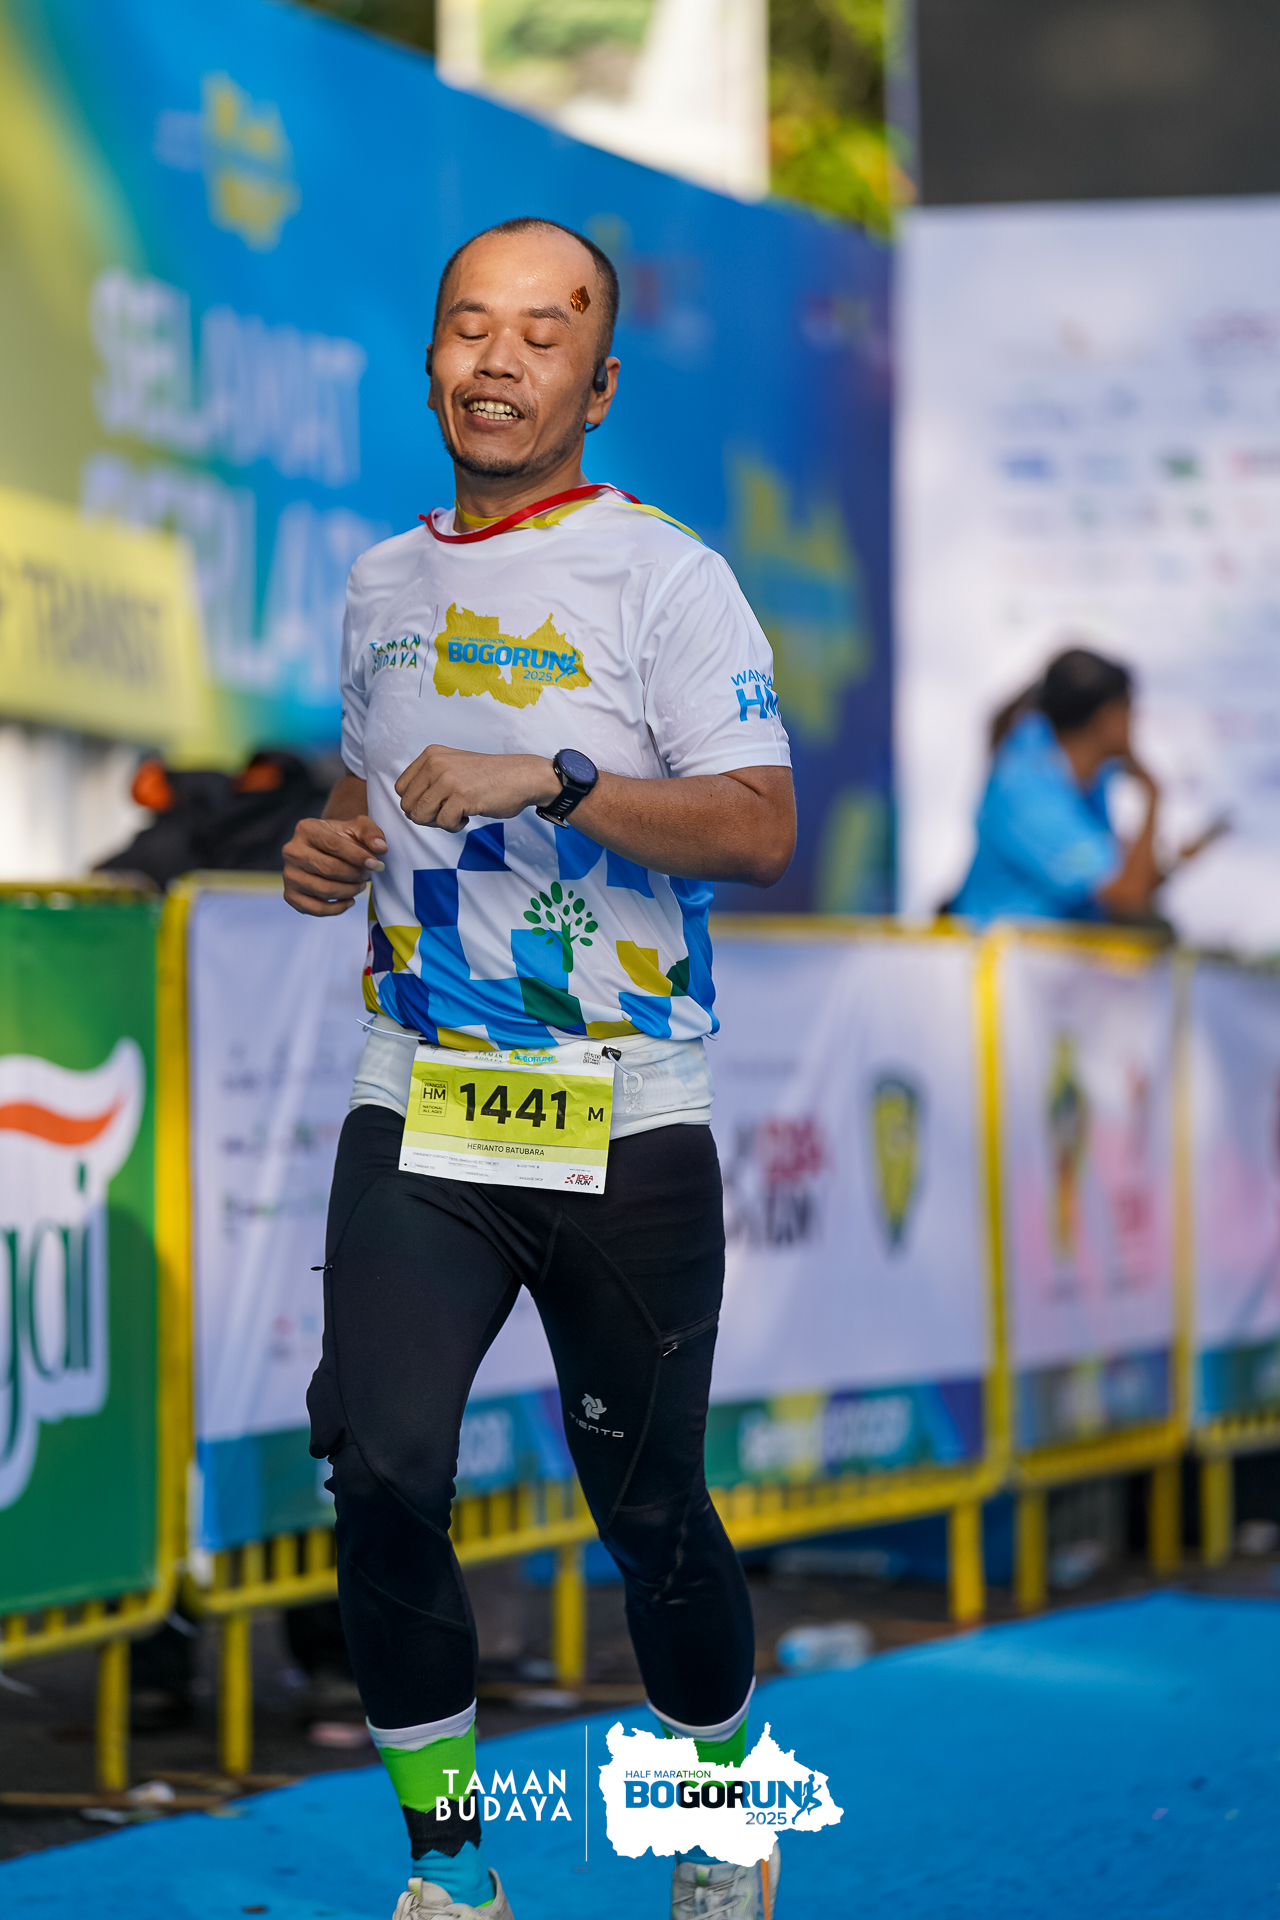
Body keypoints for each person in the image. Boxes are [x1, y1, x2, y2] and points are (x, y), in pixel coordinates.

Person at [282, 217, 795, 1920]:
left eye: (542, 334)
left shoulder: (665, 577)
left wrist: (556, 779)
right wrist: (330, 847)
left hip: (623, 1116)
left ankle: (722, 1815)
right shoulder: (380, 582)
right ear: (433, 357)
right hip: (421, 1096)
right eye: (469, 328)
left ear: (599, 383)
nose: (498, 360)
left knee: (649, 1514)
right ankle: (451, 1872)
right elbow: (371, 786)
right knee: (381, 1473)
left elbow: (759, 825)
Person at [951, 645, 1218, 926]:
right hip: (1000, 951)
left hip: (1052, 948)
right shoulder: (1027, 794)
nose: (1136, 724)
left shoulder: (1085, 776)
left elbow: (1122, 878)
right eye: (1130, 711)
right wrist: (1152, 793)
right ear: (1107, 719)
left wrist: (1169, 862)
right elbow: (1130, 895)